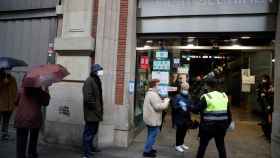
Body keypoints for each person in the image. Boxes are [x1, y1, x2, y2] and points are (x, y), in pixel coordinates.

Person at [194, 79, 232, 158]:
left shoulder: (206, 97)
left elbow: (196, 109)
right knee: (221, 145)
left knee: (203, 146)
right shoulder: (224, 96)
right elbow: (228, 113)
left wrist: (188, 106)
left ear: (207, 86)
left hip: (208, 127)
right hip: (221, 127)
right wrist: (227, 124)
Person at [15, 86, 50, 158]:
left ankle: (21, 155)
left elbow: (15, 102)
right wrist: (46, 90)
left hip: (21, 117)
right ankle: (31, 153)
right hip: (34, 118)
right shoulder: (40, 92)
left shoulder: (21, 90)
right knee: (33, 137)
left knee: (21, 138)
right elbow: (46, 103)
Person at [143, 79, 170, 157]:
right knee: (153, 135)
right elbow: (158, 107)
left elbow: (156, 103)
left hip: (151, 118)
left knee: (150, 135)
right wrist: (166, 101)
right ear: (154, 85)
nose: (159, 86)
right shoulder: (153, 94)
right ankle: (147, 151)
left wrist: (161, 100)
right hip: (152, 119)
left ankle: (149, 148)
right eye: (158, 85)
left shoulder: (152, 93)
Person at [82, 64, 104, 158]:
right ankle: (87, 153)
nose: (101, 72)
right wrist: (96, 107)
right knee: (88, 133)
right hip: (91, 112)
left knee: (93, 131)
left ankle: (90, 147)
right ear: (94, 71)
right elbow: (88, 98)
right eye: (99, 70)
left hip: (96, 113)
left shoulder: (96, 80)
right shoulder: (89, 81)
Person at [173, 82, 192, 152]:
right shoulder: (177, 97)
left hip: (186, 117)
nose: (186, 90)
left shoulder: (189, 96)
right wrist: (180, 106)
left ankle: (181, 143)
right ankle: (177, 145)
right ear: (181, 89)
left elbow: (190, 105)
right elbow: (174, 107)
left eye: (187, 89)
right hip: (179, 117)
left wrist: (189, 107)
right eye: (184, 88)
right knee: (179, 132)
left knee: (184, 131)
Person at [0, 68, 17, 140]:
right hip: (1, 104)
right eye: (6, 70)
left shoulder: (13, 79)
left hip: (9, 104)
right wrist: (3, 83)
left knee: (6, 120)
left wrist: (14, 102)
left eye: (9, 70)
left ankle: (5, 134)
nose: (7, 71)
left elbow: (15, 90)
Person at [256, 74, 274, 140]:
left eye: (264, 79)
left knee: (268, 121)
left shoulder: (270, 86)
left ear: (267, 79)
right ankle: (266, 134)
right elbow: (259, 94)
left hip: (268, 106)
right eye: (263, 79)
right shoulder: (261, 86)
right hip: (263, 106)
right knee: (264, 120)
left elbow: (270, 95)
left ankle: (268, 136)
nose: (263, 80)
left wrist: (268, 105)